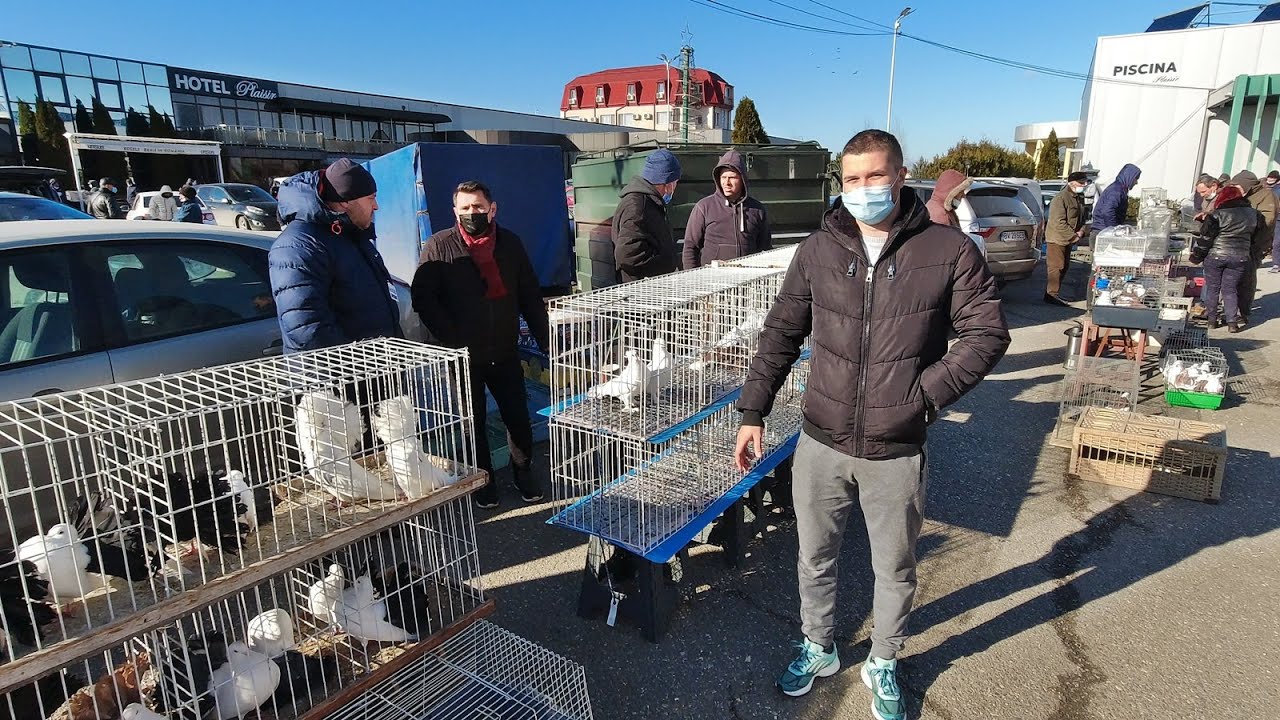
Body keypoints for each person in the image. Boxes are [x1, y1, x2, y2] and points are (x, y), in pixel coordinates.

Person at [733, 130, 1010, 719]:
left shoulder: (946, 250)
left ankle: (883, 658)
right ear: (841, 180)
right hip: (820, 441)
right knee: (815, 556)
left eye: (875, 177)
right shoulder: (819, 248)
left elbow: (987, 334)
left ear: (901, 174)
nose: (864, 190)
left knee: (895, 565)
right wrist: (752, 411)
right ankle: (819, 647)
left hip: (896, 446)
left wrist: (924, 399)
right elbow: (782, 332)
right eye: (852, 178)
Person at [411, 181, 549, 508]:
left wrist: (547, 342)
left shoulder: (510, 244)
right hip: (462, 356)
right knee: (473, 421)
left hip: (503, 349)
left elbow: (530, 296)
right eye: (465, 208)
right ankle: (483, 479)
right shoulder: (439, 246)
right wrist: (452, 339)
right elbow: (423, 300)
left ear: (492, 208)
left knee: (516, 416)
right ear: (455, 211)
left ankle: (523, 470)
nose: (473, 213)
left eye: (478, 207)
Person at [268, 158, 402, 355]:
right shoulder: (298, 247)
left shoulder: (351, 235)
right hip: (339, 377)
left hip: (376, 371)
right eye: (371, 198)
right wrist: (361, 366)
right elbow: (306, 327)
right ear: (346, 201)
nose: (376, 207)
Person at [683, 149, 772, 268]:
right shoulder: (704, 207)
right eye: (723, 177)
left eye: (732, 177)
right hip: (712, 281)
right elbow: (690, 247)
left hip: (747, 280)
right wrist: (690, 279)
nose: (727, 182)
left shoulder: (757, 210)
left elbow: (765, 250)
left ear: (742, 179)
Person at [1190, 184, 1259, 332]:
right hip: (1240, 256)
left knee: (1213, 289)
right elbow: (1256, 237)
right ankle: (1232, 323)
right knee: (1230, 289)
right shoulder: (1253, 214)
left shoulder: (1217, 214)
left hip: (1216, 256)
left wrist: (1196, 256)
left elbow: (1206, 239)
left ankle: (1211, 320)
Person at [613, 149, 681, 282]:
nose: (675, 187)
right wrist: (667, 264)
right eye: (675, 182)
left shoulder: (648, 202)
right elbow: (627, 255)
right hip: (640, 290)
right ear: (667, 183)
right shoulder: (639, 206)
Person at [1229, 170, 1278, 321]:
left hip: (1254, 243)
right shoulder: (1237, 194)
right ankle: (1229, 309)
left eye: (1238, 185)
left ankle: (1243, 310)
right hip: (1234, 242)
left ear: (1247, 185)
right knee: (1230, 278)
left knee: (1247, 278)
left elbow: (1268, 220)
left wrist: (1246, 225)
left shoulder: (1266, 196)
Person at [1043, 171, 1092, 305]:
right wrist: (1074, 236)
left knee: (1064, 266)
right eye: (1081, 182)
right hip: (1057, 238)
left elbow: (1081, 217)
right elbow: (1058, 221)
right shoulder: (1060, 198)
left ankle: (1052, 294)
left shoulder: (1078, 197)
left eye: (1085, 182)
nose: (1084, 185)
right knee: (1056, 266)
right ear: (1071, 183)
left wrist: (1081, 230)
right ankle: (1051, 295)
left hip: (1068, 238)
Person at [1091, 163, 1140, 231]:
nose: (1136, 182)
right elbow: (1107, 211)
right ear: (1129, 177)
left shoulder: (1119, 189)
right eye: (1136, 179)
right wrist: (1114, 230)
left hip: (1102, 229)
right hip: (1102, 231)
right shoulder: (1116, 191)